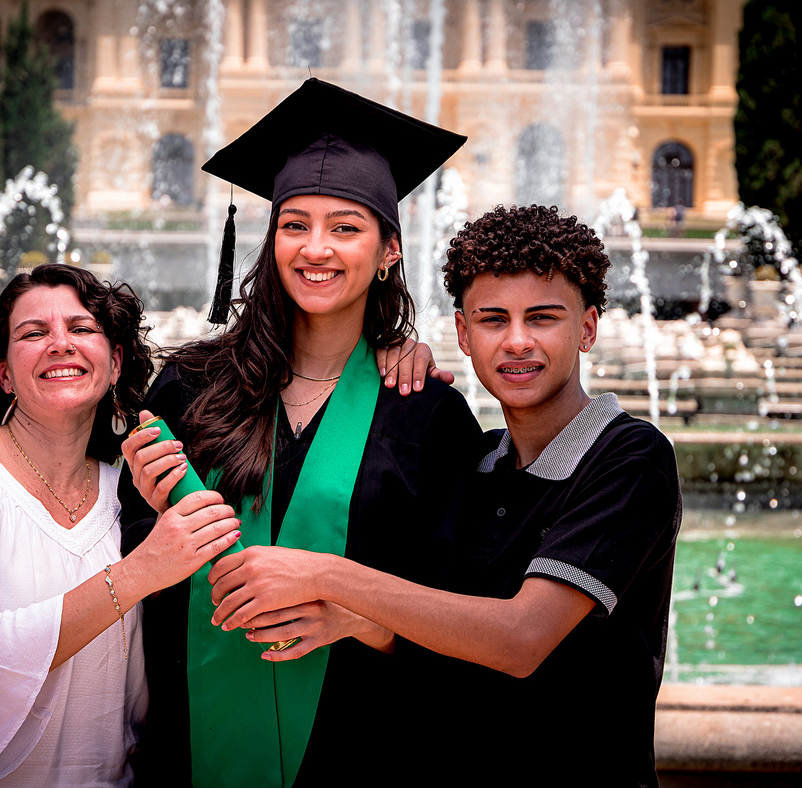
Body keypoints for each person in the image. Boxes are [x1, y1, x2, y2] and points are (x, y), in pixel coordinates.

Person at [209, 205, 682, 787]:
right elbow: (442, 632)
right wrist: (357, 622)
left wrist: (327, 575)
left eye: (542, 318)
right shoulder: (473, 463)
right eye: (492, 320)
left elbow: (520, 639)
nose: (517, 341)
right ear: (463, 333)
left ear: (587, 328)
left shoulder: (631, 459)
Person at [117, 78, 481, 788]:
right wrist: (157, 527)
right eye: (295, 225)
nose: (316, 248)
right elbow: (128, 562)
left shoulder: (425, 414)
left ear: (389, 250)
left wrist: (364, 620)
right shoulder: (190, 387)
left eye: (345, 228)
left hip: (361, 752)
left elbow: (462, 610)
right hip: (191, 749)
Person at [0, 264, 241, 788]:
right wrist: (143, 570)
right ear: (3, 374)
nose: (60, 344)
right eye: (33, 333)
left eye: (82, 328)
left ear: (115, 364)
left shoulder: (129, 494)